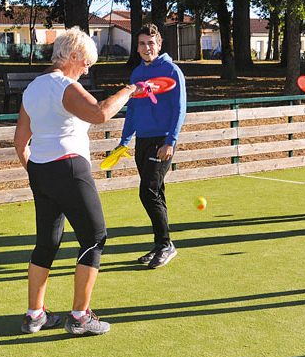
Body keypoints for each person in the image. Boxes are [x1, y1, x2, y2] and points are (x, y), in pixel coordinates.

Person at [13, 27, 136, 335]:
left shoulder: (33, 89)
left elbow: (19, 142)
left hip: (41, 170)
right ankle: (80, 317)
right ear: (72, 55)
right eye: (86, 63)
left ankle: (34, 315)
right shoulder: (63, 86)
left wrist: (38, 172)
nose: (86, 70)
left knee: (46, 243)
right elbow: (100, 113)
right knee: (94, 238)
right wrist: (129, 91)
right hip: (69, 168)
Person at [118, 23, 187, 269]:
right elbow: (132, 110)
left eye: (151, 43)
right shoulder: (137, 74)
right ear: (137, 48)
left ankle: (166, 245)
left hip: (162, 140)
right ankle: (160, 245)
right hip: (142, 140)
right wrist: (124, 141)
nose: (147, 47)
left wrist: (170, 141)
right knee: (156, 191)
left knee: (147, 191)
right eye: (142, 44)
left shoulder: (171, 70)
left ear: (159, 44)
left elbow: (180, 108)